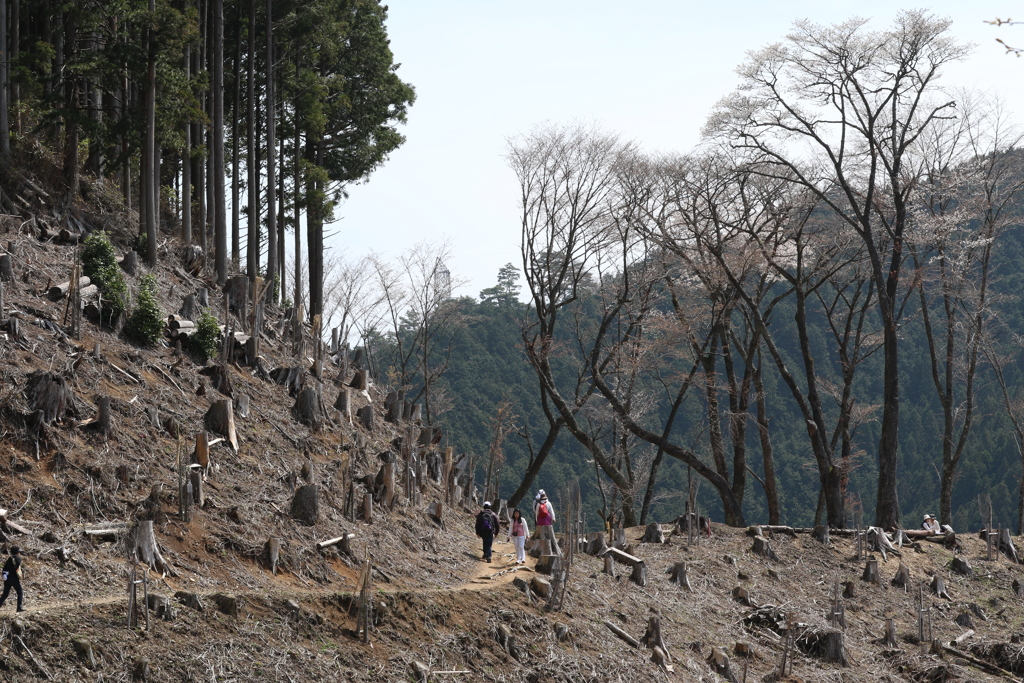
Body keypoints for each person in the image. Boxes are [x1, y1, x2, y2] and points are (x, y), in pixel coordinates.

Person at [534, 490, 560, 556]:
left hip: (540, 518)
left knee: (541, 530)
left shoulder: (538, 504)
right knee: (548, 529)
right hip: (547, 518)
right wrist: (553, 518)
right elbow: (551, 512)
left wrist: (536, 519)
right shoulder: (548, 503)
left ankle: (542, 539)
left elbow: (536, 512)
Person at [0, 546, 25, 612]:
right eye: (19, 552)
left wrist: (5, 574)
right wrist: (10, 572)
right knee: (20, 592)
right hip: (13, 578)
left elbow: (4, 568)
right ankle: (19, 607)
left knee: (5, 594)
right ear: (17, 552)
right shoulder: (18, 559)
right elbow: (16, 568)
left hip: (7, 578)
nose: (20, 553)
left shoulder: (10, 558)